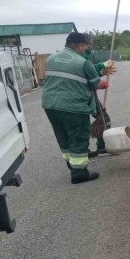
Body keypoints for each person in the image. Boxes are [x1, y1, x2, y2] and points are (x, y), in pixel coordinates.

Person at [42, 32, 109, 184]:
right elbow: (97, 84)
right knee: (78, 137)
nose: (86, 49)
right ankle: (79, 173)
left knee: (63, 136)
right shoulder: (83, 62)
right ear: (79, 45)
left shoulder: (51, 58)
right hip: (72, 106)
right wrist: (103, 84)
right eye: (86, 46)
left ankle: (71, 165)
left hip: (50, 105)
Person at [82, 44, 115, 157]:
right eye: (88, 44)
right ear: (82, 44)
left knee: (81, 122)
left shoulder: (82, 54)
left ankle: (83, 150)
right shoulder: (80, 56)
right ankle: (101, 147)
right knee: (104, 118)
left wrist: (101, 72)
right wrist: (103, 65)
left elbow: (87, 72)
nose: (89, 46)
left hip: (81, 94)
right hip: (83, 95)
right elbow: (85, 68)